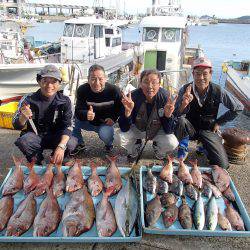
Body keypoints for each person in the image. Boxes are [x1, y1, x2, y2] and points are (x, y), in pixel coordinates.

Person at [174, 57, 244, 169]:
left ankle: (203, 145)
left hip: (208, 129)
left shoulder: (217, 90)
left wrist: (219, 122)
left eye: (205, 74)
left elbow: (238, 107)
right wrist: (184, 104)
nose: (201, 78)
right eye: (197, 74)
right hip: (190, 127)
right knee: (180, 120)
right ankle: (183, 146)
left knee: (222, 165)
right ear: (193, 74)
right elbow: (175, 114)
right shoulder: (185, 89)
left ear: (211, 74)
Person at [13, 64, 78, 165]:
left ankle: (58, 156)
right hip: (36, 136)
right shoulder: (28, 99)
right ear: (39, 81)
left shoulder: (65, 101)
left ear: (59, 83)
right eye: (45, 81)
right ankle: (36, 159)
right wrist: (23, 118)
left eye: (54, 82)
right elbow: (15, 125)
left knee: (71, 142)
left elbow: (68, 126)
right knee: (24, 141)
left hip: (57, 136)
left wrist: (61, 146)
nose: (49, 86)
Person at [118, 69, 179, 161]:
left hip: (158, 129)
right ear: (140, 83)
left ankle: (159, 148)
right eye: (146, 82)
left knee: (172, 142)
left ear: (159, 84)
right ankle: (135, 146)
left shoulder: (166, 98)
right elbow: (124, 128)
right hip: (138, 129)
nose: (150, 86)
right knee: (118, 137)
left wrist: (168, 115)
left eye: (154, 82)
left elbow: (169, 130)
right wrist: (128, 113)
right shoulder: (132, 97)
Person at [72, 64, 123, 155]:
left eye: (100, 79)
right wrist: (86, 114)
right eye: (93, 79)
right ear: (88, 79)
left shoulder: (114, 90)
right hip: (88, 121)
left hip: (105, 122)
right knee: (71, 121)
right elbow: (78, 110)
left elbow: (120, 108)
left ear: (105, 78)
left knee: (106, 135)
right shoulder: (82, 90)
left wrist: (113, 118)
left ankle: (108, 144)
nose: (97, 83)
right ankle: (79, 143)